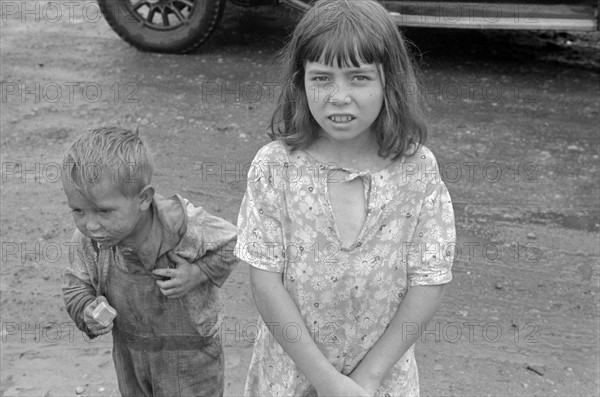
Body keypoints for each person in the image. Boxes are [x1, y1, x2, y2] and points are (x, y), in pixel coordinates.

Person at [235, 0, 456, 395]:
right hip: (289, 376)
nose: (339, 96)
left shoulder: (417, 171)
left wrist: (367, 379)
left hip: (382, 380)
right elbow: (265, 282)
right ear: (299, 81)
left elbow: (429, 281)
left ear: (389, 81)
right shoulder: (274, 168)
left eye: (359, 78)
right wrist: (327, 382)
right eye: (321, 78)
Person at [61, 126, 238, 396]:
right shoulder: (89, 240)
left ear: (143, 198)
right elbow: (75, 284)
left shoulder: (182, 226)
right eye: (78, 211)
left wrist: (197, 273)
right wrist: (87, 309)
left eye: (104, 211)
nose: (91, 224)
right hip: (131, 355)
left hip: (192, 359)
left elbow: (236, 243)